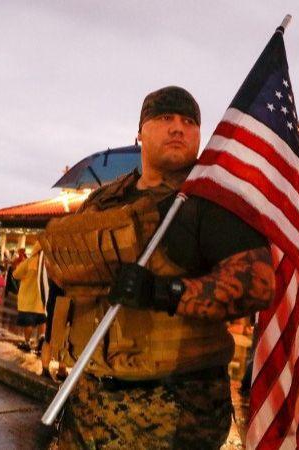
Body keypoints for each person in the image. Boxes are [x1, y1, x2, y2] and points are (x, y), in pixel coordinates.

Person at [39, 86, 275, 449]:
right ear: (140, 131)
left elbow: (255, 284)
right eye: (165, 118)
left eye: (188, 121)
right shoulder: (105, 200)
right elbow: (64, 272)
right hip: (88, 398)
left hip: (173, 410)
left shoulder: (211, 201)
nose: (178, 128)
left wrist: (163, 292)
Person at [12, 244, 47, 353]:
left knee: (29, 322)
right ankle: (42, 339)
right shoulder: (47, 263)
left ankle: (27, 343)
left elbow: (16, 274)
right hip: (42, 299)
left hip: (29, 299)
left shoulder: (29, 262)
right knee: (42, 320)